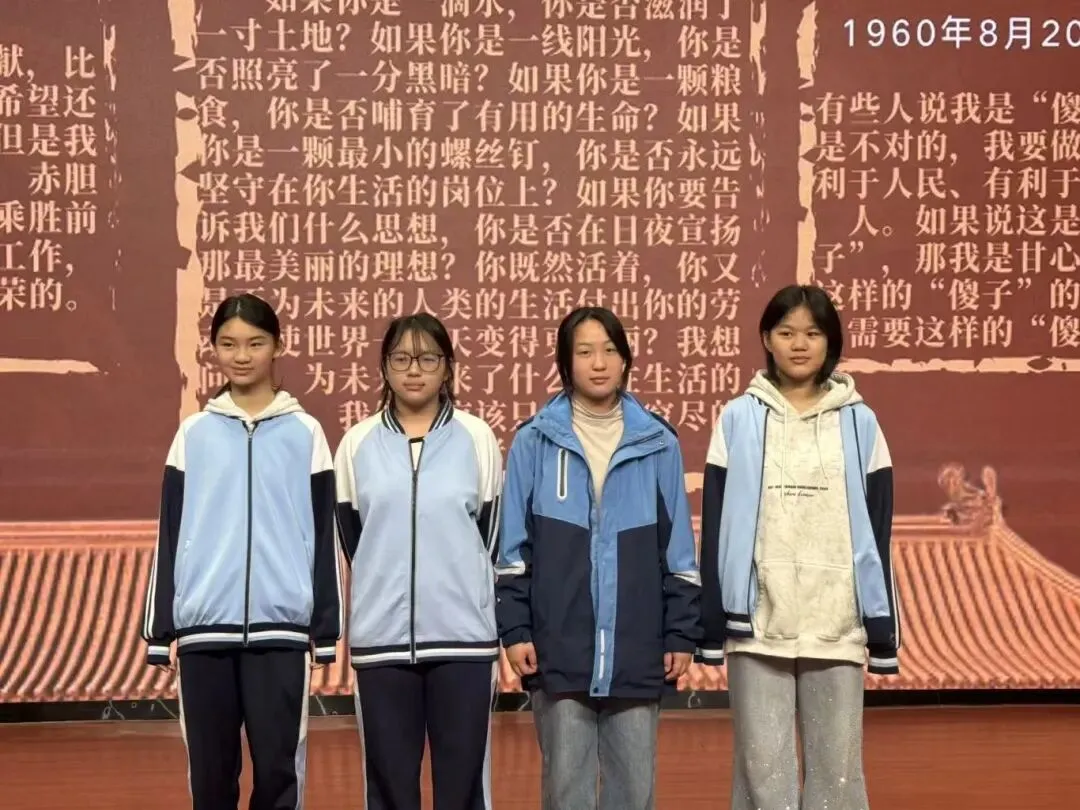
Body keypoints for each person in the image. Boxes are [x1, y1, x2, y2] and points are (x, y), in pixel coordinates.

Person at [697, 284, 899, 810]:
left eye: (812, 333)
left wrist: (877, 622)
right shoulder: (737, 418)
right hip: (759, 621)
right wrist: (715, 618)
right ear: (767, 338)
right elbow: (717, 523)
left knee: (837, 773)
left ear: (830, 341)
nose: (800, 344)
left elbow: (877, 527)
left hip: (836, 620)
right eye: (786, 332)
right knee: (762, 770)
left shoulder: (861, 422)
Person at [140, 292, 342, 810]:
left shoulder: (306, 433)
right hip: (205, 631)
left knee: (278, 770)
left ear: (278, 346)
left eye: (255, 343)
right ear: (213, 349)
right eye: (228, 344)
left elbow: (324, 533)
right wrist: (161, 632)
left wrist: (324, 631)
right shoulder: (193, 434)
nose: (242, 355)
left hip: (281, 633)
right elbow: (170, 532)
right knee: (211, 774)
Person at [495, 306, 702, 810]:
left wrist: (679, 632)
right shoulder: (534, 441)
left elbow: (678, 551)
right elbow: (512, 550)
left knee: (633, 792)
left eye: (610, 350)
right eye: (585, 351)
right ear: (566, 363)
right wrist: (516, 629)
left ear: (626, 359)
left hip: (637, 648)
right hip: (558, 648)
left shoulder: (658, 443)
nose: (599, 362)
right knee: (566, 791)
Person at [334, 312, 503, 810]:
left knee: (463, 789)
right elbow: (354, 538)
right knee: (389, 788)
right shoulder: (357, 443)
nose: (414, 370)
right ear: (384, 367)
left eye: (428, 358)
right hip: (382, 644)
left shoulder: (477, 438)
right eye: (401, 358)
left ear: (447, 367)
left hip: (464, 643)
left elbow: (490, 537)